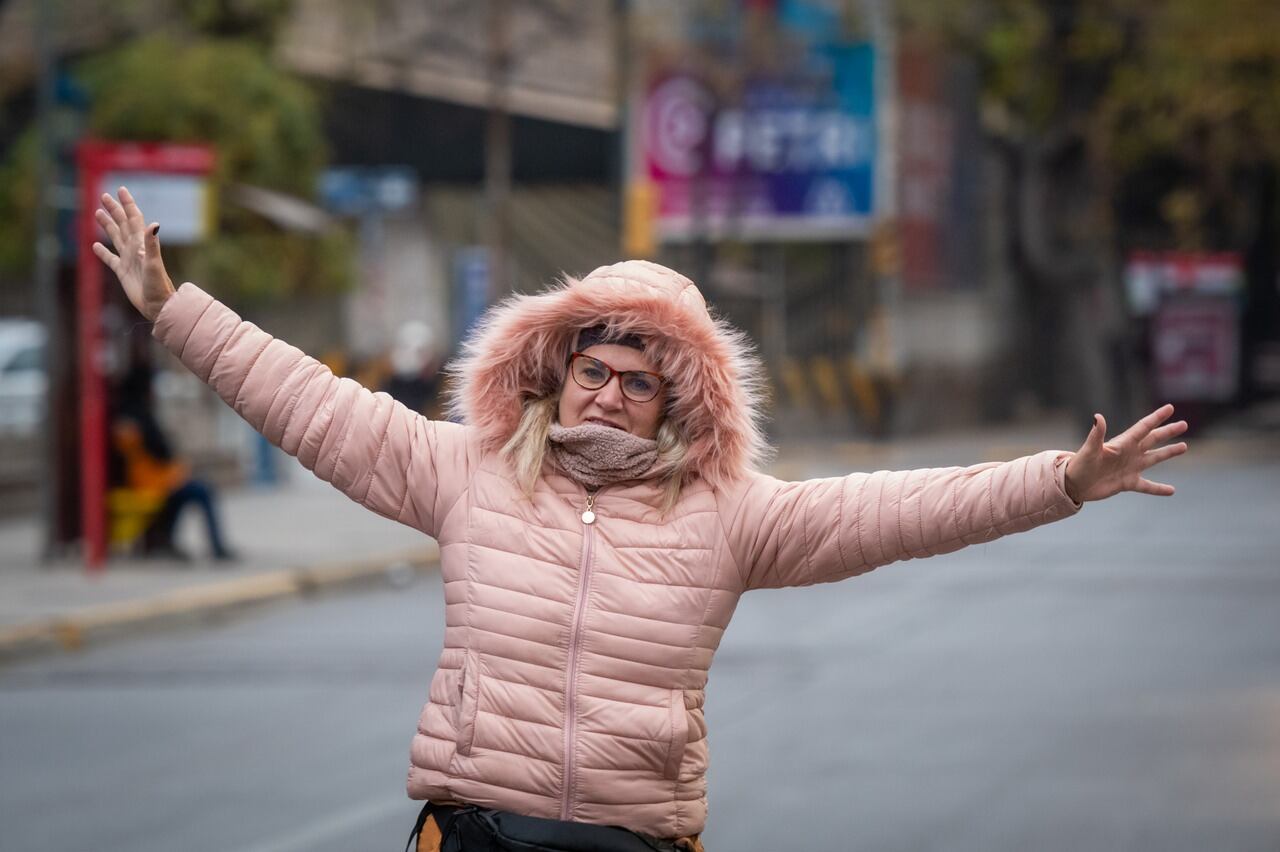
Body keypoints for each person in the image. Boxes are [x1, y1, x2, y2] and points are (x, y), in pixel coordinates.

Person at [93, 187, 1187, 851]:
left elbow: (897, 509)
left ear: (676, 401)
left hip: (636, 840)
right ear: (555, 371)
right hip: (474, 834)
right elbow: (311, 402)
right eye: (591, 367)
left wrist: (1058, 481)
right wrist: (174, 311)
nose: (607, 392)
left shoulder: (728, 515)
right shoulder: (465, 474)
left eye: (637, 380)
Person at [110, 357, 237, 562]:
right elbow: (161, 451)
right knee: (202, 491)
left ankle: (167, 540)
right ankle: (217, 547)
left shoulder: (123, 412)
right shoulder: (141, 415)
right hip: (153, 482)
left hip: (142, 480)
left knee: (184, 491)